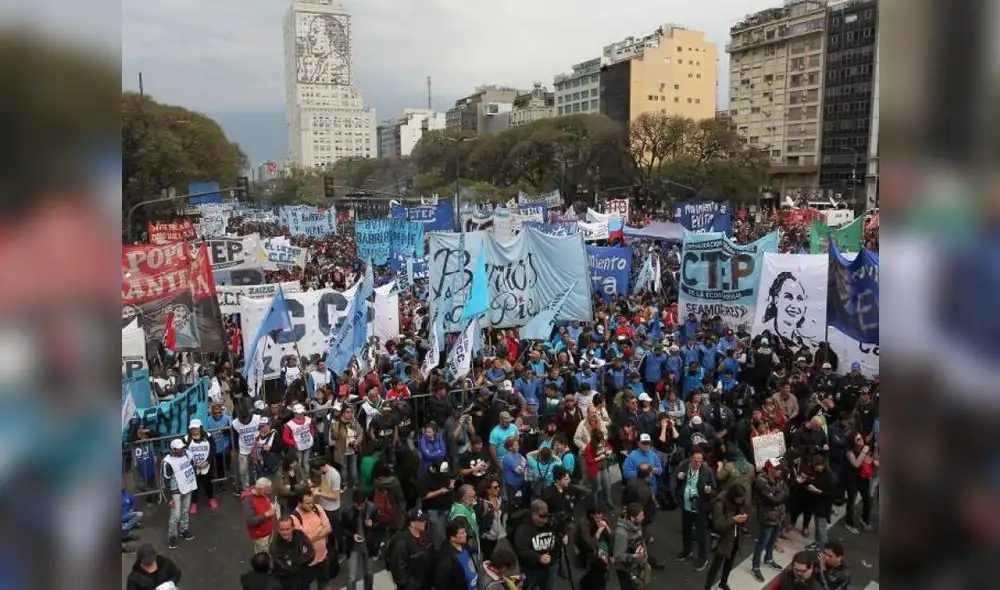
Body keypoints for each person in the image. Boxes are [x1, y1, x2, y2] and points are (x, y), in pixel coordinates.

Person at [673, 449, 715, 570]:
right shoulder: (684, 467)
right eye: (695, 461)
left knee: (700, 534)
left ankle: (702, 558)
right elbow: (677, 483)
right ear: (690, 459)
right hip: (686, 506)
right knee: (686, 530)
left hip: (700, 508)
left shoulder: (708, 471)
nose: (697, 463)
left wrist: (709, 491)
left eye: (699, 461)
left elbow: (714, 488)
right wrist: (678, 478)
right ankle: (687, 551)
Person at [703, 484, 748, 590]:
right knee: (716, 565)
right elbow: (718, 524)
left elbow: (742, 510)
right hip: (723, 539)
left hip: (735, 536)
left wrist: (743, 517)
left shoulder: (739, 502)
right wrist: (734, 520)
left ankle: (723, 583)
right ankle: (707, 587)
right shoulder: (721, 503)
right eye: (739, 498)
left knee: (729, 562)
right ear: (733, 496)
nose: (741, 501)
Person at [750, 460, 789, 582]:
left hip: (778, 515)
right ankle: (755, 566)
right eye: (777, 469)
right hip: (767, 516)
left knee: (772, 540)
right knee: (762, 542)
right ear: (770, 469)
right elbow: (773, 500)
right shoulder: (760, 481)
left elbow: (786, 491)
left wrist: (778, 495)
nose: (780, 471)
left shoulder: (779, 478)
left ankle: (769, 559)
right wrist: (779, 495)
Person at [514, 499, 560, 590]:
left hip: (549, 567)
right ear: (533, 514)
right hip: (531, 569)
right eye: (542, 516)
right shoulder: (523, 529)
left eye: (547, 515)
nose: (545, 519)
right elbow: (522, 550)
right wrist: (538, 558)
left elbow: (557, 541)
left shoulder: (551, 524)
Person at [290, 491, 332, 590]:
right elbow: (305, 540)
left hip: (322, 556)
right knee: (305, 586)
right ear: (300, 503)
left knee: (324, 584)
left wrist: (313, 535)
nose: (311, 505)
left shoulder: (318, 508)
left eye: (312, 502)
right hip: (307, 561)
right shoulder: (294, 517)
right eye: (307, 503)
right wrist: (321, 529)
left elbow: (329, 528)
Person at [161, 437, 197, 549]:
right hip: (175, 490)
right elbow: (164, 482)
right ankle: (172, 536)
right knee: (176, 514)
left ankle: (184, 530)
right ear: (173, 449)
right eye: (178, 449)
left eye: (182, 448)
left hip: (187, 487)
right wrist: (168, 498)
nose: (181, 450)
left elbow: (192, 467)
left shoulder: (187, 454)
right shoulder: (167, 462)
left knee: (185, 510)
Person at [387, 509, 434, 590]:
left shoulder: (425, 535)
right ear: (412, 523)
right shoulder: (400, 543)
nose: (425, 522)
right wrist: (413, 585)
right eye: (421, 520)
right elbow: (399, 573)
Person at [342, 489, 378, 590]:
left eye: (361, 505)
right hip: (353, 546)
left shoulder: (372, 509)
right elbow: (343, 529)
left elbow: (378, 526)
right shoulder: (347, 511)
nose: (359, 507)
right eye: (356, 505)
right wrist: (352, 535)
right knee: (351, 577)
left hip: (368, 545)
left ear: (365, 501)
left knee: (369, 573)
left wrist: (372, 525)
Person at [270, 515, 315, 590]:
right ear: (278, 529)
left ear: (293, 528)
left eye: (287, 529)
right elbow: (284, 567)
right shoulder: (275, 546)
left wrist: (292, 561)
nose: (285, 532)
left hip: (304, 578)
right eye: (282, 530)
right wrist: (303, 558)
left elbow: (311, 553)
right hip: (287, 582)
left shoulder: (300, 535)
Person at [183, 418, 218, 514]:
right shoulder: (186, 439)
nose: (194, 430)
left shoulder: (208, 437)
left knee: (208, 483)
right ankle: (194, 503)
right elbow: (184, 453)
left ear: (200, 428)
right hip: (194, 466)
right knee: (194, 485)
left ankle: (211, 498)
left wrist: (207, 461)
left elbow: (213, 449)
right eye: (192, 428)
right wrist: (194, 464)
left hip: (207, 465)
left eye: (196, 428)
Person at [612, 502, 649, 590]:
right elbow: (618, 556)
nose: (643, 517)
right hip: (625, 569)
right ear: (632, 518)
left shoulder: (636, 525)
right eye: (641, 515)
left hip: (634, 565)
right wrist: (634, 556)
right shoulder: (622, 534)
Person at [575, 504, 613, 590]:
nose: (600, 520)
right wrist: (599, 530)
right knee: (594, 560)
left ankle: (602, 569)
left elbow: (611, 538)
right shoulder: (584, 524)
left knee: (603, 555)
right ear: (591, 515)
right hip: (586, 545)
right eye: (597, 518)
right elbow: (590, 544)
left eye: (601, 517)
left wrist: (607, 528)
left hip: (600, 544)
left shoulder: (604, 520)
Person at [435, 521, 480, 590]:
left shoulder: (466, 547)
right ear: (452, 537)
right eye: (462, 533)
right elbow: (442, 584)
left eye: (465, 532)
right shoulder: (447, 560)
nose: (465, 534)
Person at [243, 477, 279, 554]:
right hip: (260, 534)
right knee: (263, 554)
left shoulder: (262, 493)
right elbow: (250, 521)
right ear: (260, 489)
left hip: (268, 529)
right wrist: (266, 514)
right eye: (267, 490)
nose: (269, 492)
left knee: (267, 549)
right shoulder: (248, 500)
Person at [450, 483, 481, 559]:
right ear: (464, 498)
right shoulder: (460, 516)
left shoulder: (464, 506)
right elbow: (462, 538)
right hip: (468, 551)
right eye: (473, 497)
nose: (475, 499)